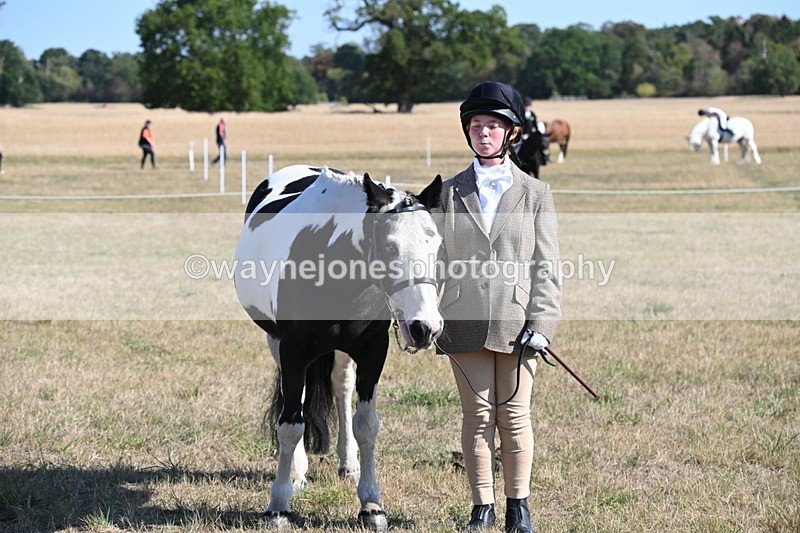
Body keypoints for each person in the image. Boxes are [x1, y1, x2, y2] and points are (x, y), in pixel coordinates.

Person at [435, 81, 562, 533]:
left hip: (517, 324)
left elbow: (546, 266)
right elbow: (434, 264)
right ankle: (481, 507)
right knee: (478, 416)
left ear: (511, 133)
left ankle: (519, 507)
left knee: (514, 415)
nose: (483, 132)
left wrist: (543, 323)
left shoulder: (535, 193)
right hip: (463, 322)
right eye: (476, 125)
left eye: (493, 125)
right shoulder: (448, 194)